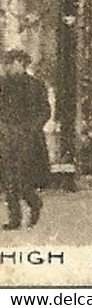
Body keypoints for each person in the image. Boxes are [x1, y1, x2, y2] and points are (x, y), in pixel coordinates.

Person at [0, 49, 50, 229]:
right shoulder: (2, 84)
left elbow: (45, 111)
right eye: (6, 63)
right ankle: (15, 218)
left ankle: (34, 202)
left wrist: (33, 128)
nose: (8, 66)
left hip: (28, 138)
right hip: (6, 136)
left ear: (22, 63)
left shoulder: (36, 85)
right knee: (8, 178)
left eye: (11, 62)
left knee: (23, 177)